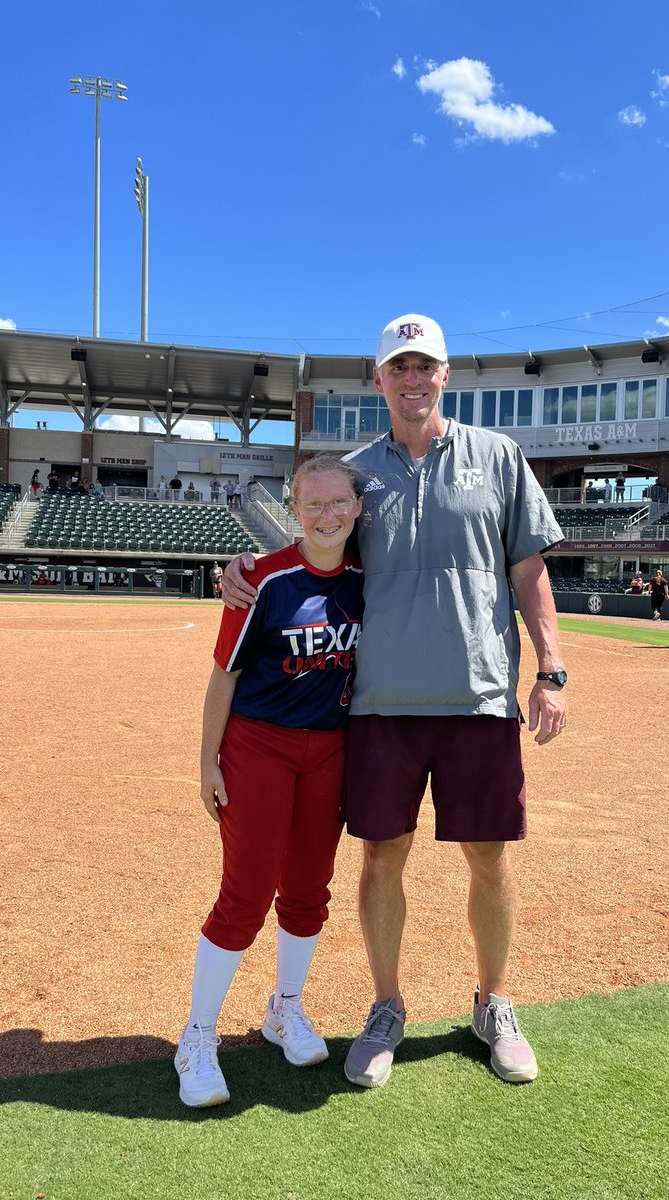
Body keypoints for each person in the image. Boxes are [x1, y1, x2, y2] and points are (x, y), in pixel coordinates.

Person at [222, 313, 568, 1089]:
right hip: (378, 704)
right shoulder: (356, 473)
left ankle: (495, 1004)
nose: (413, 381)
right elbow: (315, 542)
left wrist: (551, 668)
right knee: (382, 857)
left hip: (479, 698)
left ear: (446, 375)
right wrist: (245, 564)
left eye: (426, 367)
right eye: (398, 368)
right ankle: (386, 1008)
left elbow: (528, 570)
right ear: (378, 380)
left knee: (489, 857)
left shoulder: (499, 457)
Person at [174, 456, 364, 1108]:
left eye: (339, 502)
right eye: (313, 504)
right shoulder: (262, 578)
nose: (327, 515)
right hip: (259, 746)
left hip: (330, 752)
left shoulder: (373, 579)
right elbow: (223, 674)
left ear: (357, 508)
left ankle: (284, 1009)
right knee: (247, 893)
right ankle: (197, 1037)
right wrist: (207, 764)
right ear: (293, 509)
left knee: (309, 889)